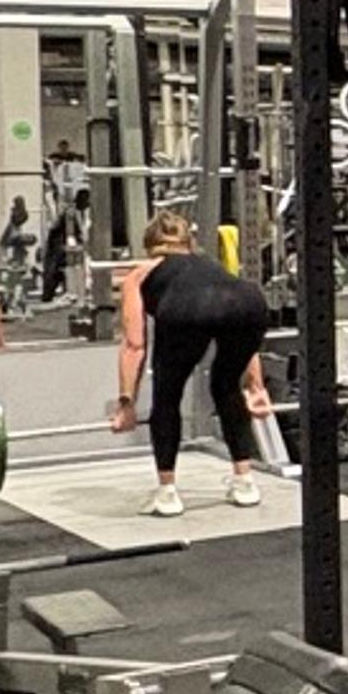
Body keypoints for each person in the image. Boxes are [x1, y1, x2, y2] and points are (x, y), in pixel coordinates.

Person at [111, 209, 274, 517]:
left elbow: (134, 344)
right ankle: (245, 483)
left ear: (149, 245)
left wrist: (126, 403)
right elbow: (239, 329)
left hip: (186, 309)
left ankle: (167, 493)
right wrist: (256, 386)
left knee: (167, 394)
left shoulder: (139, 274)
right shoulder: (211, 266)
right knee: (226, 385)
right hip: (250, 302)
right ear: (189, 243)